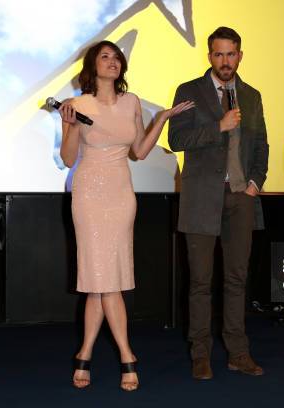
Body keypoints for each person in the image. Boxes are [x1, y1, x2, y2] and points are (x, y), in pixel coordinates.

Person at [58, 40, 193, 391]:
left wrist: (160, 119)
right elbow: (70, 159)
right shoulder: (77, 104)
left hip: (121, 194)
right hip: (88, 192)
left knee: (102, 280)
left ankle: (84, 355)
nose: (113, 62)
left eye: (117, 57)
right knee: (103, 280)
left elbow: (140, 152)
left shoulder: (131, 102)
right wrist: (71, 126)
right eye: (105, 57)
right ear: (92, 65)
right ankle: (126, 356)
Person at [168, 26, 269, 380]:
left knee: (237, 279)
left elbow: (261, 145)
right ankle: (201, 354)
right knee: (200, 281)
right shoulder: (190, 91)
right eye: (218, 54)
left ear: (240, 55)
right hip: (200, 199)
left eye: (231, 54)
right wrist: (219, 126)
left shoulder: (252, 95)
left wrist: (256, 183)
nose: (225, 61)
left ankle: (238, 353)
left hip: (241, 197)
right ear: (209, 56)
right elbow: (177, 138)